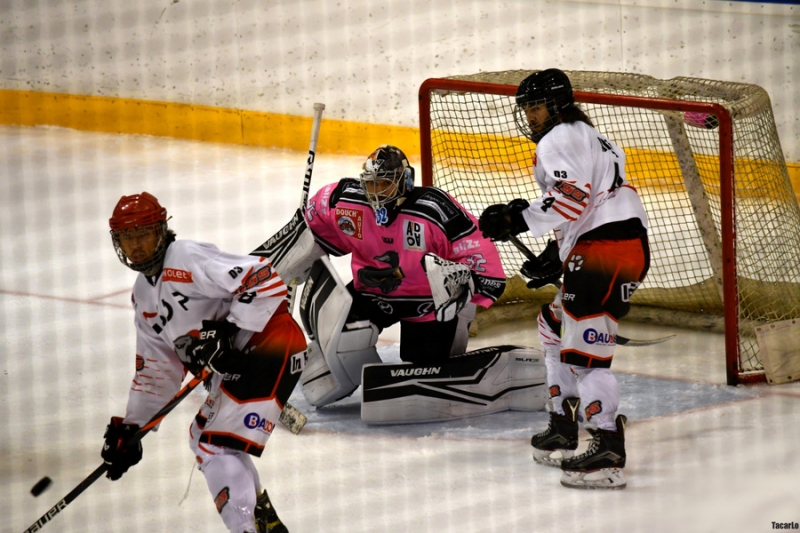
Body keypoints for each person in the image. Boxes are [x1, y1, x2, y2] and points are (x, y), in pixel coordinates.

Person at [266, 145, 541, 422]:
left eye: (384, 184)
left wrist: (470, 288)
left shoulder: (434, 209)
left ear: (404, 181)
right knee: (327, 375)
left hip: (428, 304)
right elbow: (307, 229)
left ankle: (481, 366)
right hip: (373, 294)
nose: (376, 193)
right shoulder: (346, 202)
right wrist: (285, 261)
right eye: (371, 185)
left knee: (425, 370)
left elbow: (477, 252)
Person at [479, 68, 650, 490]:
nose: (530, 116)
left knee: (584, 353)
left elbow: (571, 200)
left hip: (605, 248)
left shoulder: (561, 137)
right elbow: (587, 199)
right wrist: (556, 254)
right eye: (526, 108)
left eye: (535, 107)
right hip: (616, 243)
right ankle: (563, 422)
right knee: (552, 324)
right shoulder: (589, 137)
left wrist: (516, 218)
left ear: (556, 105)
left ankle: (607, 448)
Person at [102, 192, 306, 533]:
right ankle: (262, 525)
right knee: (204, 437)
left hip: (271, 342)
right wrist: (132, 428)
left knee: (211, 442)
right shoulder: (143, 295)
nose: (135, 246)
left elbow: (265, 278)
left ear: (161, 231)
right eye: (127, 237)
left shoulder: (185, 257)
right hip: (244, 361)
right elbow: (157, 371)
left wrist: (229, 330)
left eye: (143, 234)